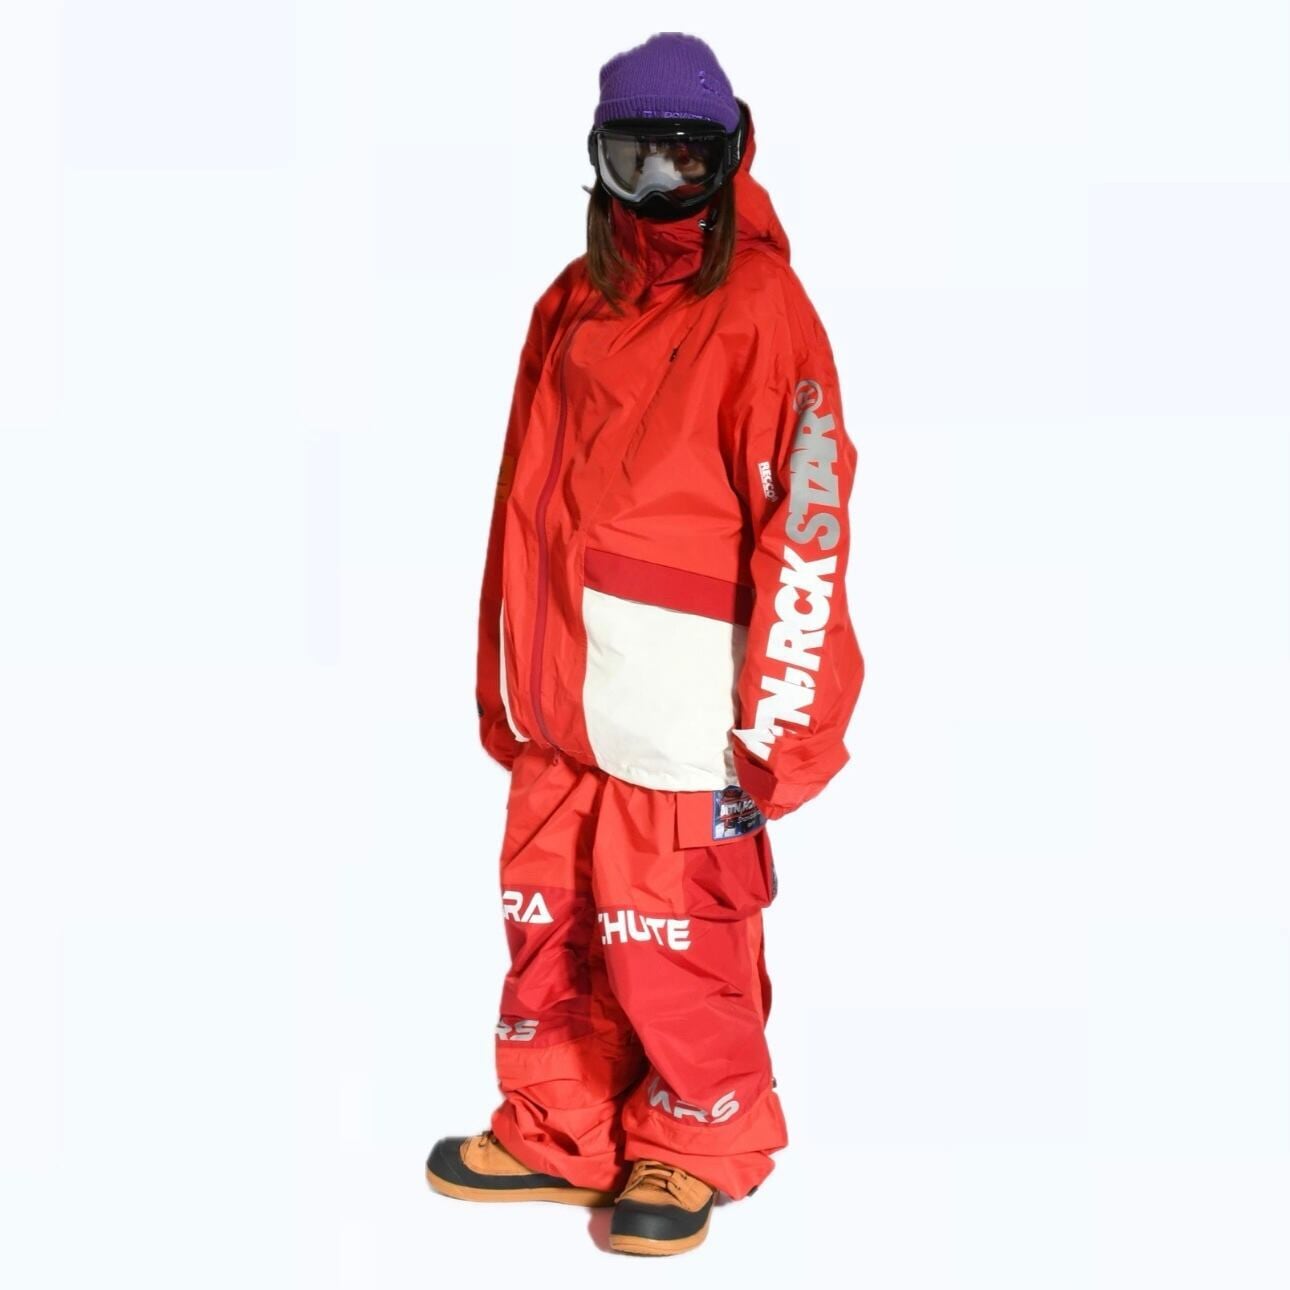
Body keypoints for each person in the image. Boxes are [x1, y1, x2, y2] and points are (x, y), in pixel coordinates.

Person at [424, 31, 864, 1256]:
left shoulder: (762, 309)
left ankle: (694, 1138)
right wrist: (503, 679)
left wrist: (787, 715)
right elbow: (519, 501)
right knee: (550, 922)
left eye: (688, 158)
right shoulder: (570, 300)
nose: (661, 184)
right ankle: (560, 1128)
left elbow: (810, 515)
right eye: (635, 159)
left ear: (731, 157)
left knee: (673, 936)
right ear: (597, 163)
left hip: (680, 707)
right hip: (560, 695)